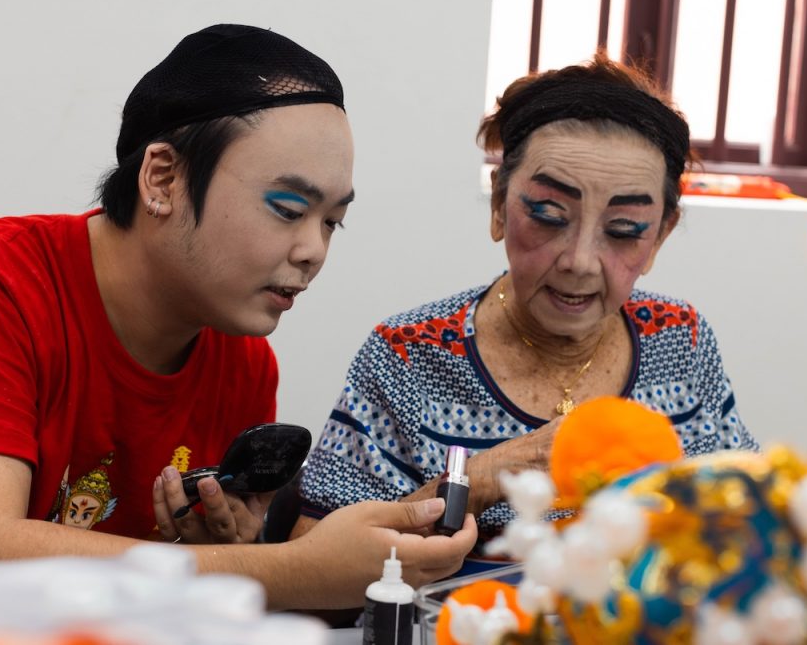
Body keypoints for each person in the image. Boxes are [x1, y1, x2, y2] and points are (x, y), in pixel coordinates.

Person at [0, 23, 475, 608]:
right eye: (288, 209)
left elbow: (166, 583)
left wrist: (221, 546)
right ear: (163, 179)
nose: (314, 250)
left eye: (332, 222)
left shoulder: (244, 360)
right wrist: (290, 569)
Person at [293, 53, 757, 566]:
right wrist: (479, 480)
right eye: (549, 215)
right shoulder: (409, 356)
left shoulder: (679, 339)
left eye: (624, 230)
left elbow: (749, 519)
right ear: (499, 205)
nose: (580, 262)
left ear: (660, 236)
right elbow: (312, 568)